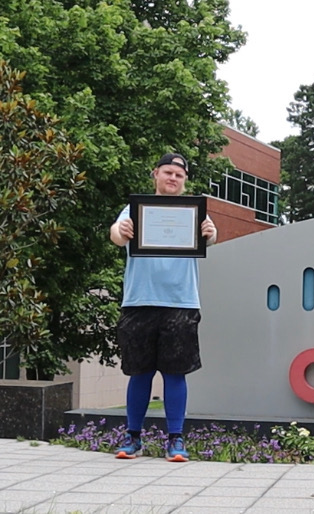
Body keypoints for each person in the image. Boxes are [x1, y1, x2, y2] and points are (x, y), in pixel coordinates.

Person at [109, 153, 217, 462]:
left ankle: (176, 440)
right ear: (155, 174)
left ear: (184, 181)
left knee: (175, 373)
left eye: (179, 175)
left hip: (181, 302)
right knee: (139, 373)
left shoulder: (195, 213)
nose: (173, 178)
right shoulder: (133, 210)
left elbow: (211, 236)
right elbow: (116, 235)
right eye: (168, 172)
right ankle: (132, 438)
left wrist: (210, 233)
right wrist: (122, 233)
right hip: (139, 301)